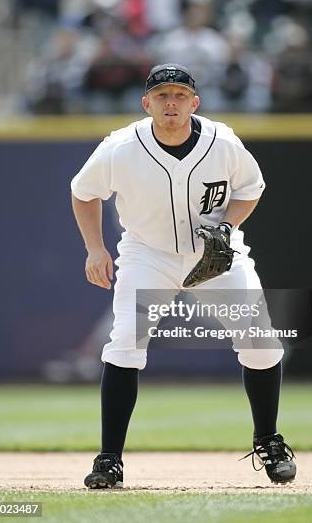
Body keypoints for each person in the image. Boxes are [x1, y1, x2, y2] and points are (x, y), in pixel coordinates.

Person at [70, 63, 296, 489]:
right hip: (147, 255)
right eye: (161, 96)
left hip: (213, 254)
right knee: (125, 344)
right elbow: (83, 193)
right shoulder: (121, 147)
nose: (170, 103)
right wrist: (95, 248)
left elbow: (251, 189)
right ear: (146, 103)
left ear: (194, 102)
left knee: (262, 344)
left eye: (178, 95)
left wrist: (227, 228)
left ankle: (268, 439)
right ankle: (109, 460)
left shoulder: (221, 141)